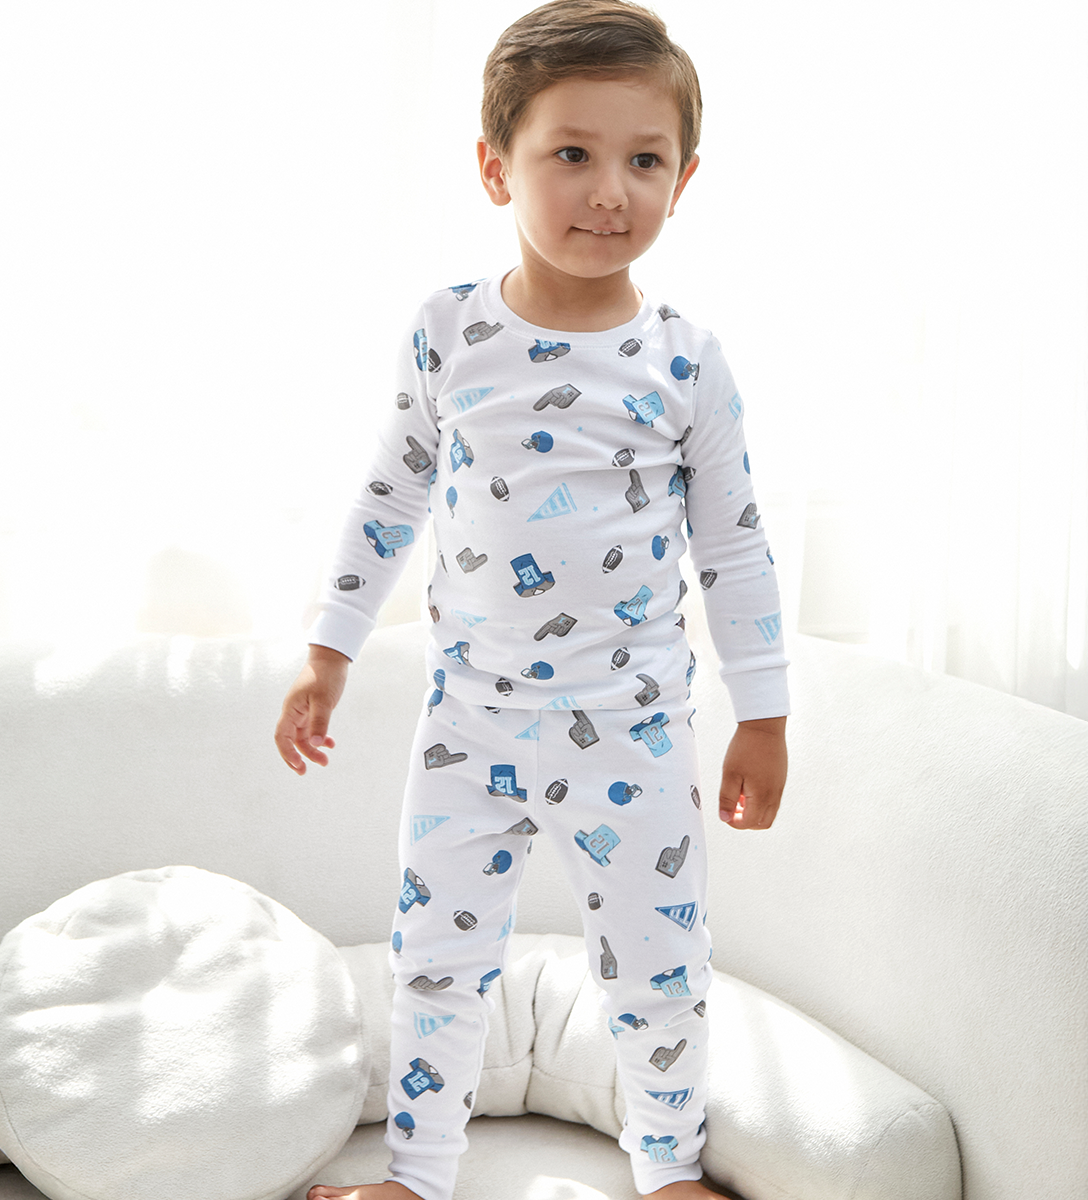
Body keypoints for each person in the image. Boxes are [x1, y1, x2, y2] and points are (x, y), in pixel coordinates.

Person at [274, 3, 789, 1197]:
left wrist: (762, 712)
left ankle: (669, 1168)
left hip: (633, 726)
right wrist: (328, 650)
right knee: (435, 962)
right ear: (494, 165)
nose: (611, 190)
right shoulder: (448, 331)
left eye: (645, 160)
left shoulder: (686, 359)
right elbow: (391, 494)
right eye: (572, 153)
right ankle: (417, 1174)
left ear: (685, 179)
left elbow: (735, 544)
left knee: (659, 967)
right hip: (470, 721)